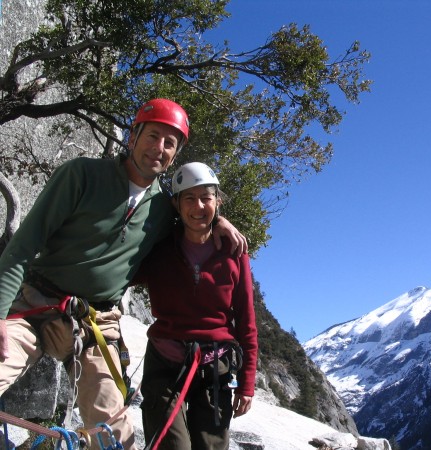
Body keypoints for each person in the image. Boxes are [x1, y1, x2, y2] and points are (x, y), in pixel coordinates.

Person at [0, 99, 247, 449]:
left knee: (115, 437)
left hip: (94, 323)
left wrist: (219, 219)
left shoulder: (163, 209)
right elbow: (23, 247)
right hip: (35, 304)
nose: (158, 148)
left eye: (170, 143)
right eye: (153, 136)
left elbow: (195, 220)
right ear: (134, 135)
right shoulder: (82, 175)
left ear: (175, 154)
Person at [133, 162, 257, 450]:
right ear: (176, 204)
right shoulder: (159, 248)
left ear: (218, 202)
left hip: (216, 367)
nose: (198, 206)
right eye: (189, 198)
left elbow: (246, 321)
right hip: (166, 363)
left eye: (206, 198)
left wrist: (247, 383)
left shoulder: (234, 253)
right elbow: (118, 273)